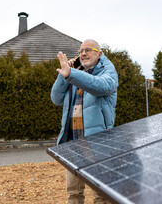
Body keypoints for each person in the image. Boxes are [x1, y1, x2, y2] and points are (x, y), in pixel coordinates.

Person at [51, 39, 118, 204]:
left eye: (88, 49)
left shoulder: (107, 71)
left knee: (101, 194)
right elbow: (56, 98)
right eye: (81, 50)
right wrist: (65, 74)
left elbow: (101, 86)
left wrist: (72, 74)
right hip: (73, 141)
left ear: (99, 53)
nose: (83, 53)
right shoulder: (75, 72)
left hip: (97, 141)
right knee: (74, 194)